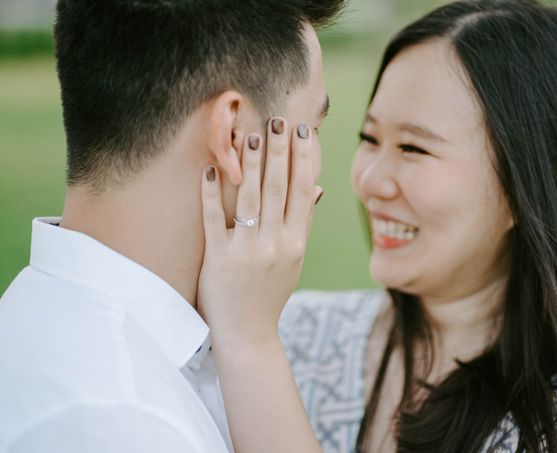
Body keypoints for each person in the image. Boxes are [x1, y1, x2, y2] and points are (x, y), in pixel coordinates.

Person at [216, 0, 557, 451]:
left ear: (527, 188)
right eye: (369, 138)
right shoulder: (297, 333)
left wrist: (254, 351)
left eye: (413, 149)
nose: (370, 180)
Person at [0, 0, 341, 451]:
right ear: (234, 135)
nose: (316, 167)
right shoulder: (118, 422)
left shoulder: (54, 321)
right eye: (310, 127)